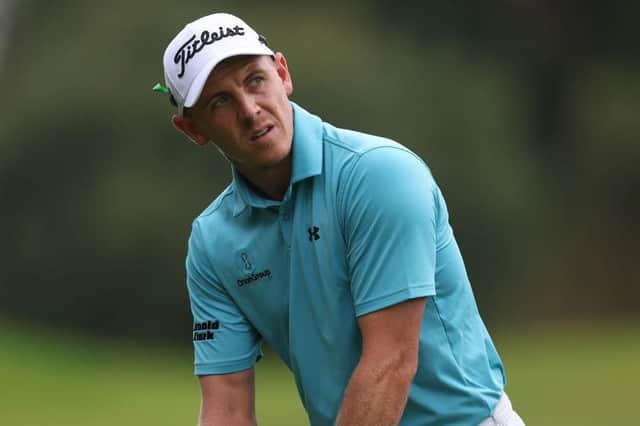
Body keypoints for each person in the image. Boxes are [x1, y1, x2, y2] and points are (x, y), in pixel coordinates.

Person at [156, 12, 525, 426]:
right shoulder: (213, 241)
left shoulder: (379, 175)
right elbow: (226, 408)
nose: (249, 109)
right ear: (192, 129)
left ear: (282, 73)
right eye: (220, 101)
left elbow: (389, 363)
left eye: (254, 80)